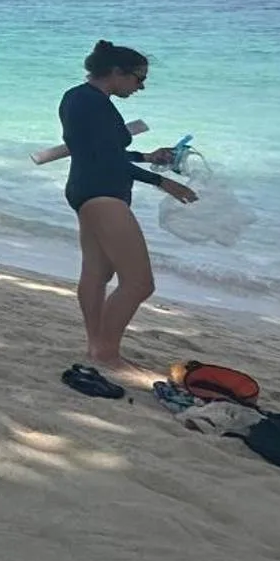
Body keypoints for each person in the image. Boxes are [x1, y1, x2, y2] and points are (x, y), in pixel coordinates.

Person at [60, 40, 196, 374]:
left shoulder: (81, 98)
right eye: (138, 78)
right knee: (139, 283)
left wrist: (148, 158)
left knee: (98, 272)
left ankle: (97, 348)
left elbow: (98, 152)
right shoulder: (92, 103)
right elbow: (105, 158)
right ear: (117, 72)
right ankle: (107, 353)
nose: (141, 86)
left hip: (86, 188)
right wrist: (162, 182)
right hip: (102, 192)